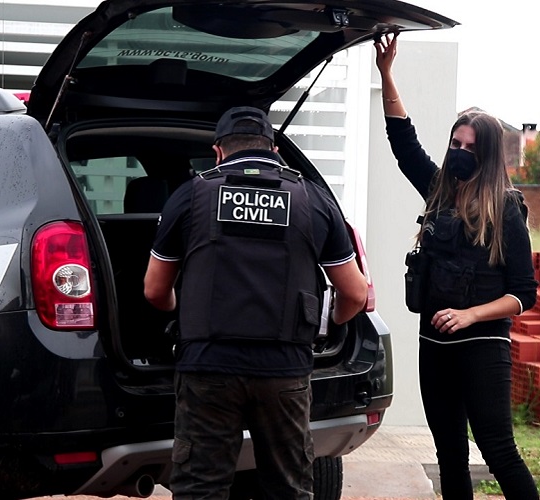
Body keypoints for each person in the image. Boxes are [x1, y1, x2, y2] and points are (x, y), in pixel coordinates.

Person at [143, 106, 369, 499]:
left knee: (201, 488)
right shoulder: (312, 199)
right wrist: (331, 321)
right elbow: (355, 293)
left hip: (209, 366)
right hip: (284, 370)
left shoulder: (192, 195)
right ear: (274, 150)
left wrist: (181, 309)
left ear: (217, 152)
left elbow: (154, 290)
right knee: (288, 488)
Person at [375, 33, 539, 500]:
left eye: (470, 147)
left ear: (487, 155)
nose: (460, 152)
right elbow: (403, 142)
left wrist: (470, 315)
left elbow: (523, 293)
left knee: (498, 450)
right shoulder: (438, 192)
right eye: (455, 142)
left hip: (482, 346)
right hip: (434, 345)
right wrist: (386, 74)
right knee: (449, 453)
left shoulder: (506, 208)